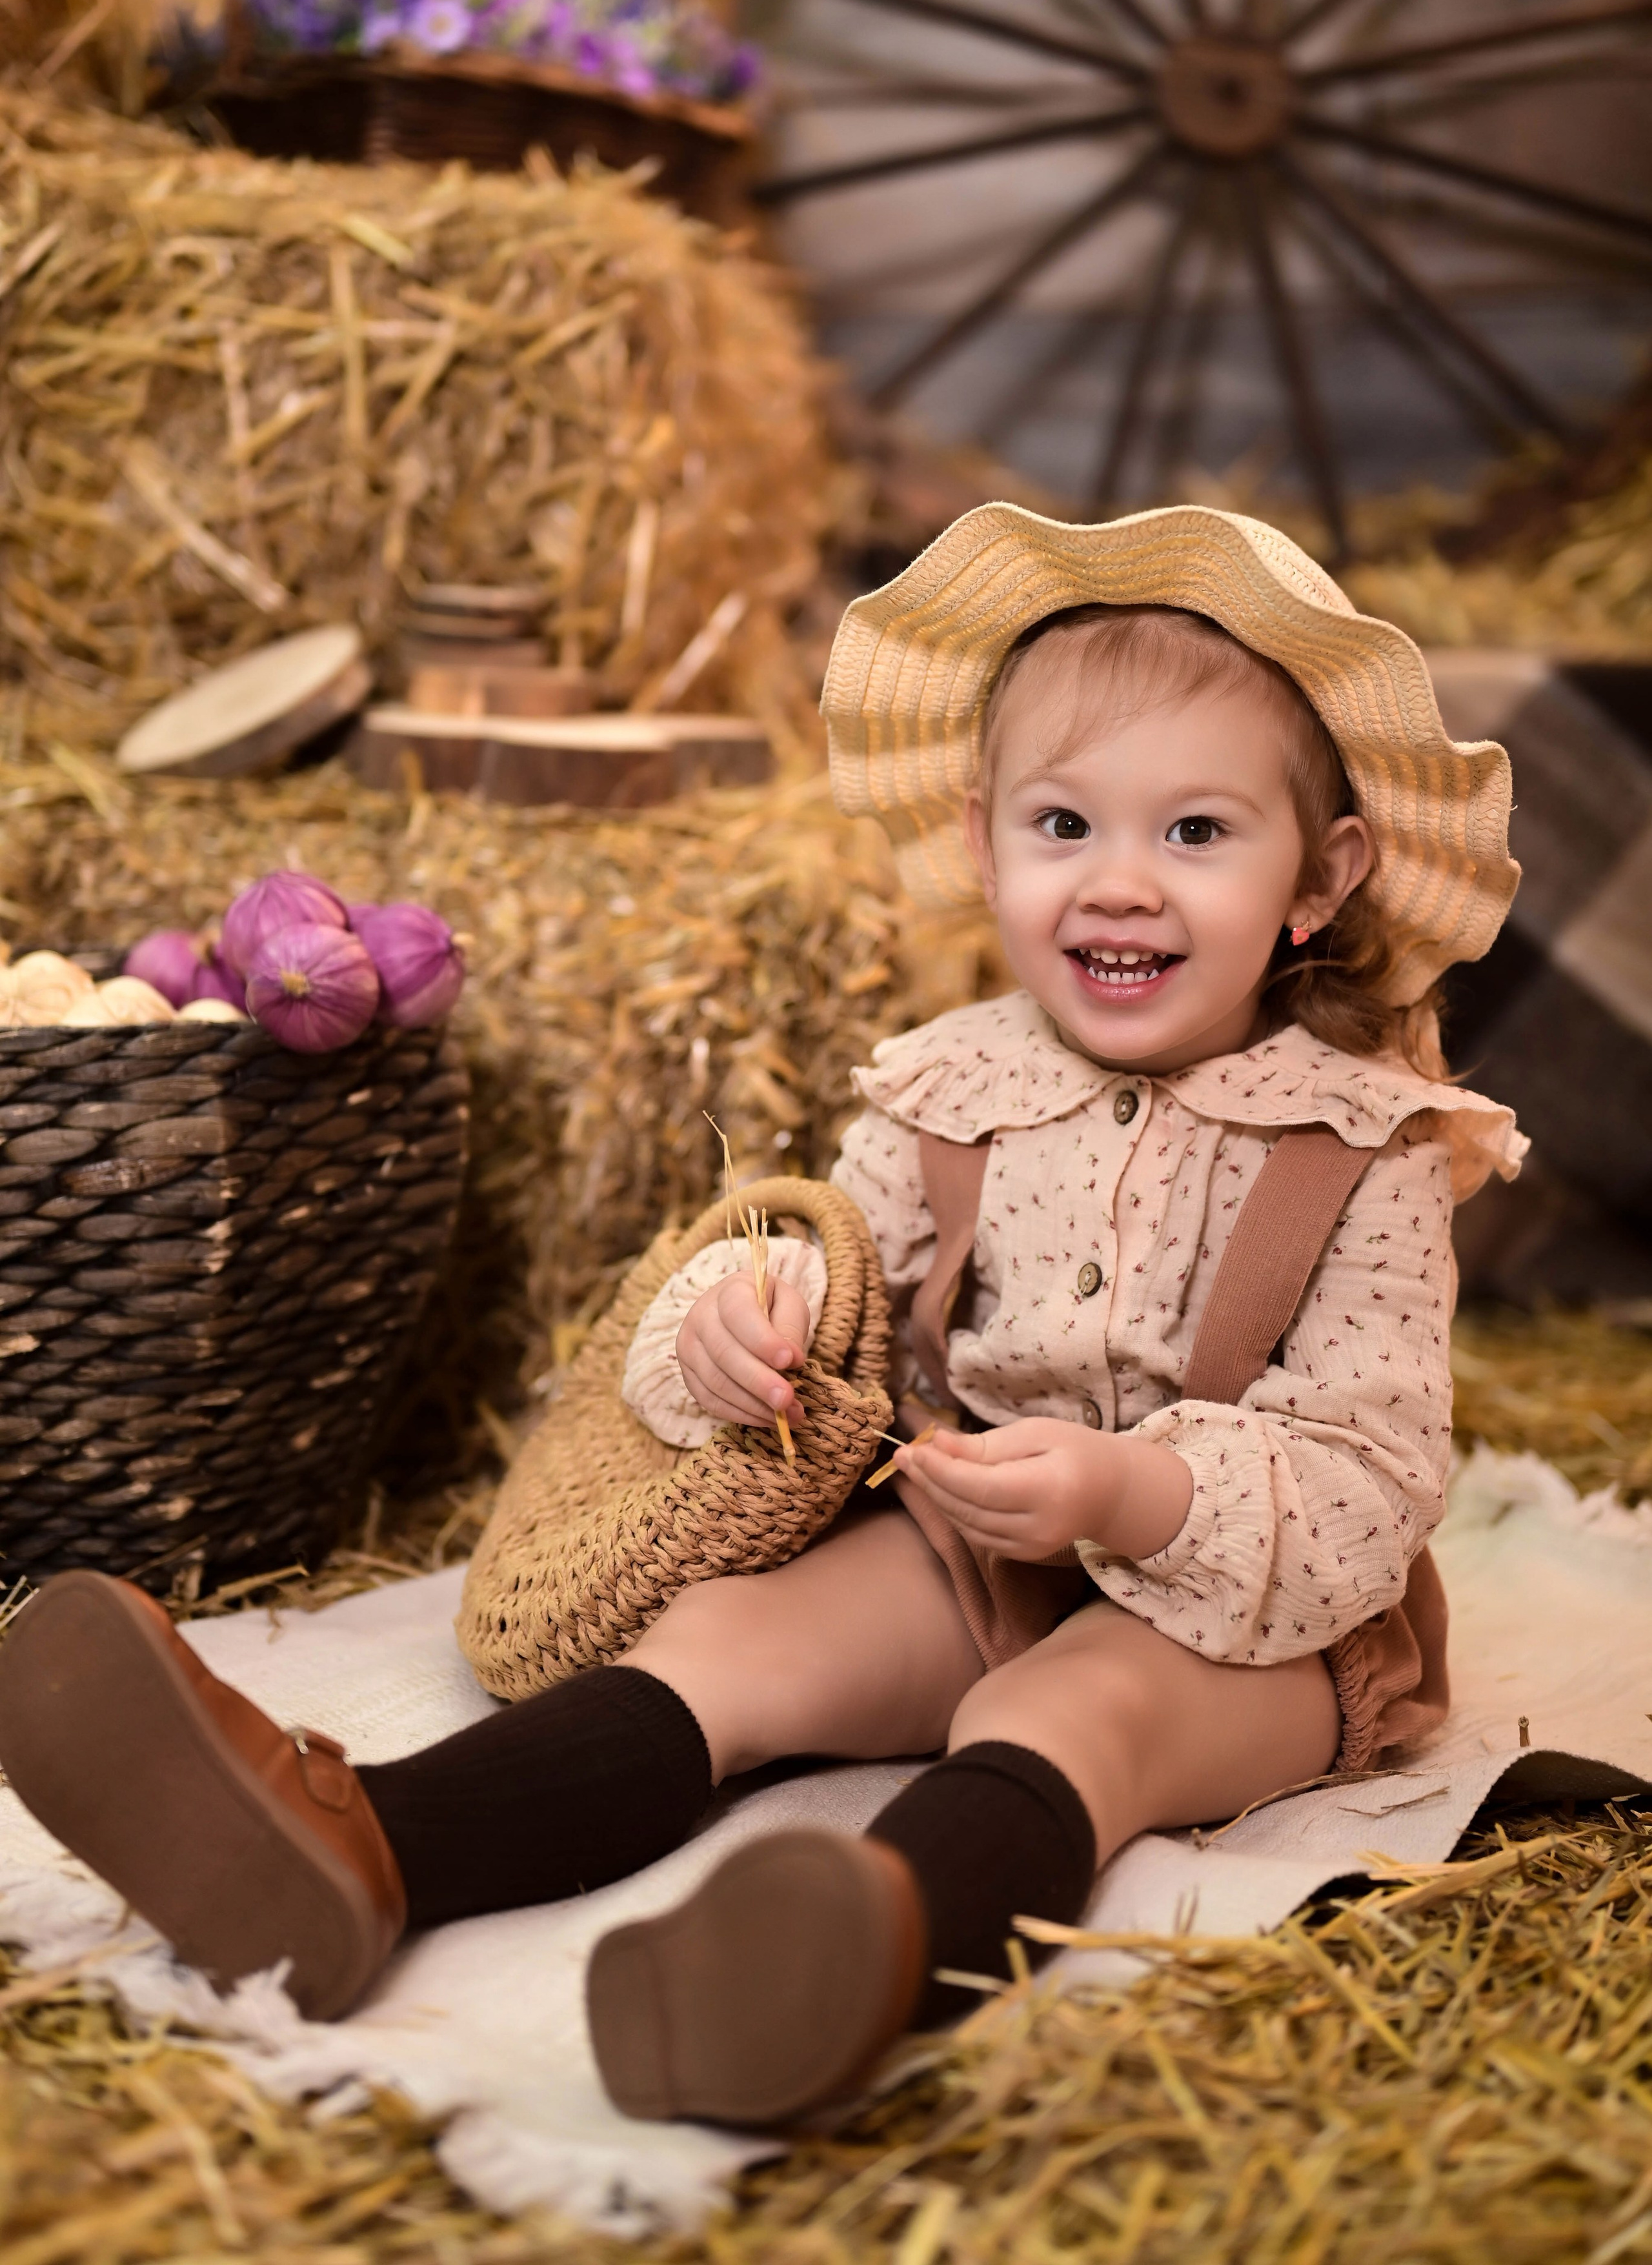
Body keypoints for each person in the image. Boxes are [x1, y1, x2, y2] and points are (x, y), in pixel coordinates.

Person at [0, 505, 1525, 2133]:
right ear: (983, 839)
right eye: (1063, 821)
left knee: (1062, 1711)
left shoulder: (1363, 1143)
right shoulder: (952, 1084)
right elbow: (822, 1266)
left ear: (1319, 878)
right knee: (730, 1640)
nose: (1118, 883)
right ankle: (362, 1846)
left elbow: (1368, 1477)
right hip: (975, 1546)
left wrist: (1127, 1491)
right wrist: (734, 1328)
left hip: (1252, 1610)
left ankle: (855, 1958)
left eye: (1198, 831)